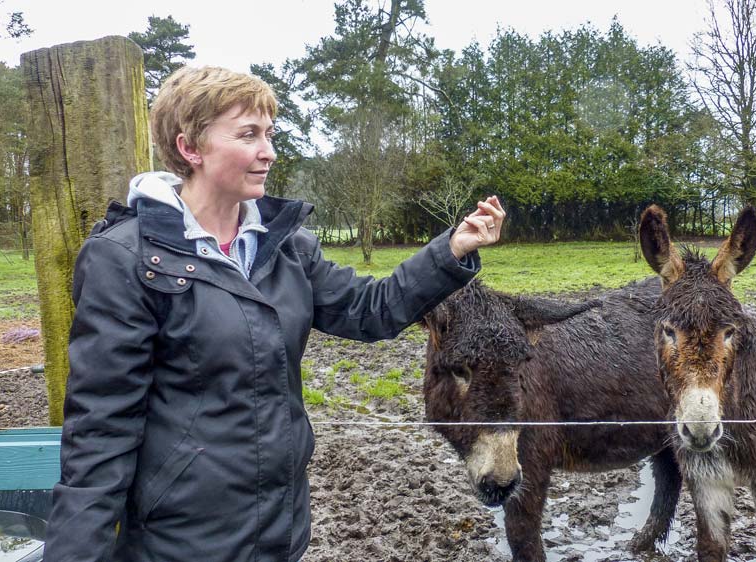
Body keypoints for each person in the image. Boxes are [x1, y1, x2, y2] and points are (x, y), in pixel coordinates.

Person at [44, 65, 504, 562]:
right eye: (248, 135)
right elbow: (101, 431)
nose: (269, 151)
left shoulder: (284, 248)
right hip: (178, 543)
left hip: (279, 533)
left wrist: (452, 250)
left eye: (269, 134)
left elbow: (372, 310)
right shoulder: (126, 259)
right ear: (190, 148)